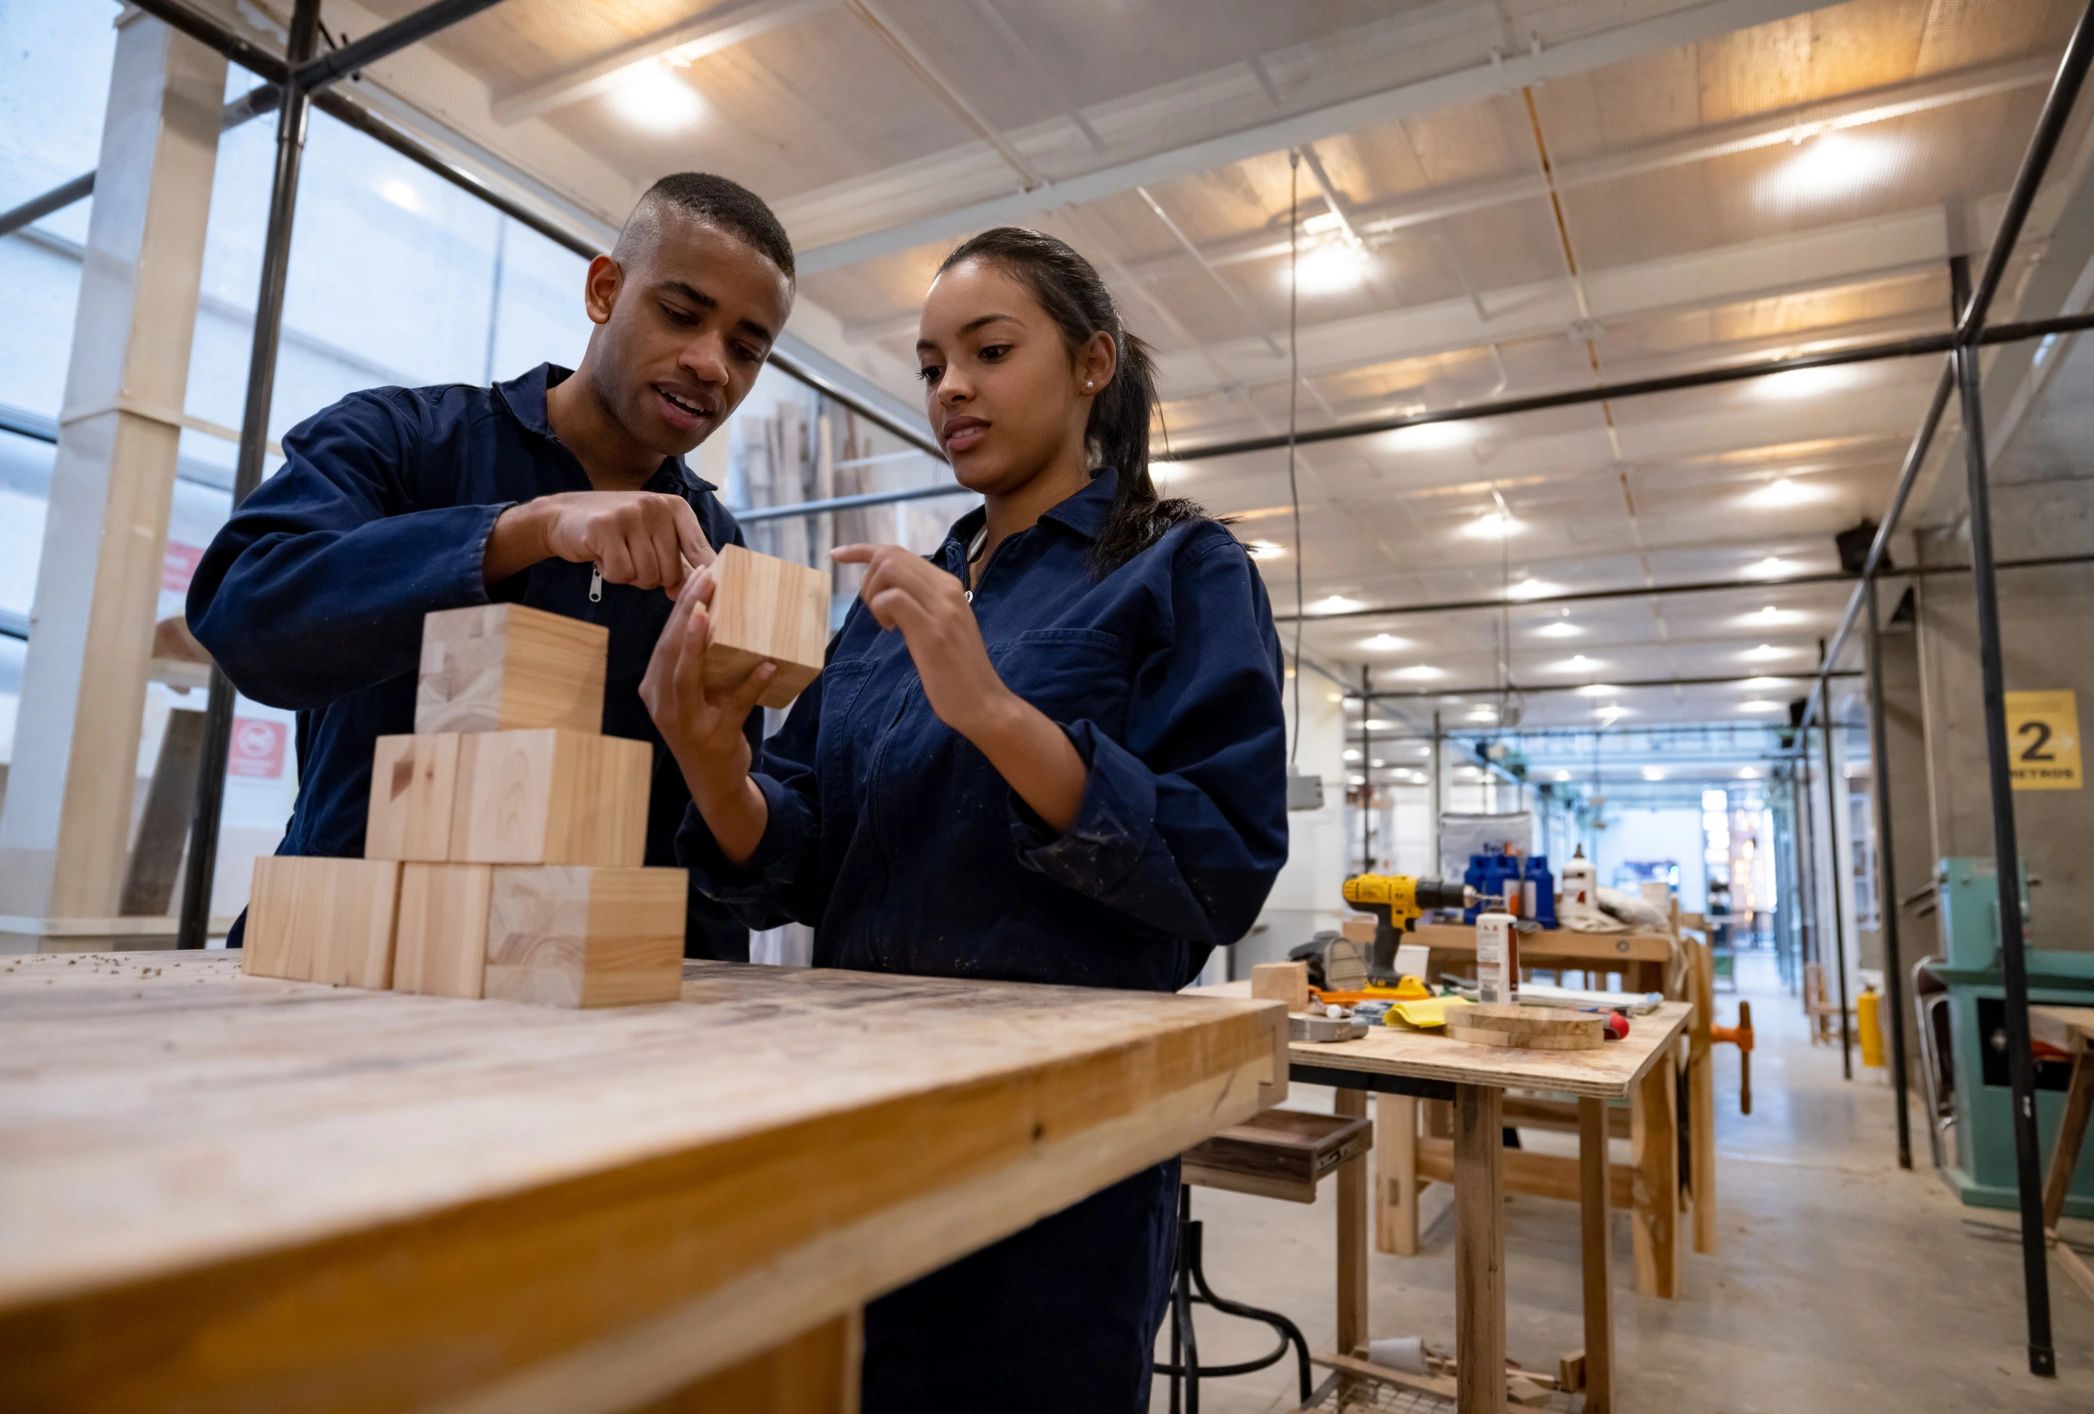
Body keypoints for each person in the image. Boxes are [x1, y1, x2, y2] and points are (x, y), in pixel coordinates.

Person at [641, 227, 1290, 1410]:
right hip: (854, 1115)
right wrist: (712, 764)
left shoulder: (1178, 571)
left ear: (1092, 363)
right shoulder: (902, 594)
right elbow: (799, 855)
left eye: (988, 351)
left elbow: (1216, 864)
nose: (950, 388)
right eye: (931, 362)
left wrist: (991, 708)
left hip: (1056, 1151)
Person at [187, 172, 796, 961]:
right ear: (605, 290)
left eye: (747, 350)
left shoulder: (715, 550)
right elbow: (246, 612)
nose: (712, 364)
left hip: (590, 993)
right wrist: (519, 531)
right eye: (681, 314)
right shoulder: (399, 441)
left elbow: (696, 829)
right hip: (345, 958)